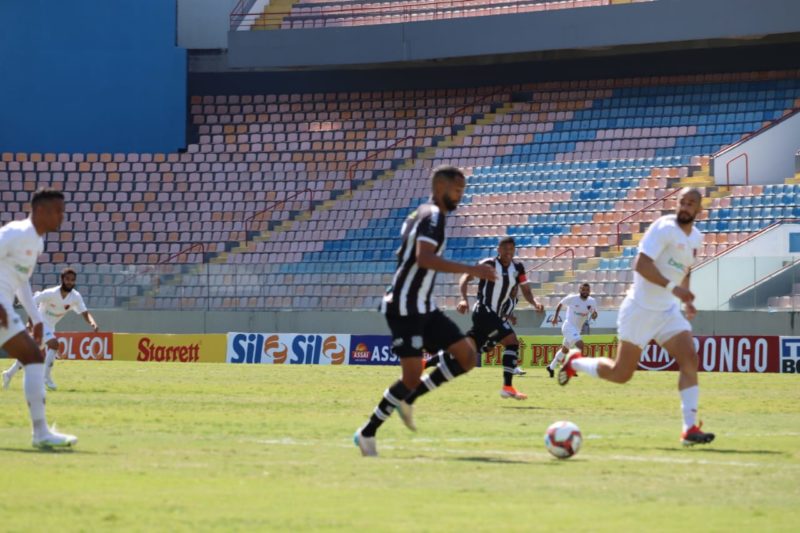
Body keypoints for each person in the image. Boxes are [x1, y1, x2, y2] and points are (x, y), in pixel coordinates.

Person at [354, 166, 496, 457]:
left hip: (424, 305)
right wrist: (471, 269)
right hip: (405, 307)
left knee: (467, 356)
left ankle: (410, 398)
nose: (460, 196)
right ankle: (367, 433)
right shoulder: (433, 217)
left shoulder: (422, 213)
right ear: (441, 187)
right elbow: (425, 258)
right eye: (457, 191)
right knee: (409, 376)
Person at [558, 188, 714, 446]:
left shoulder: (696, 238)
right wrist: (674, 289)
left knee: (689, 359)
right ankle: (575, 362)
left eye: (691, 204)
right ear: (676, 204)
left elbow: (685, 269)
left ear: (699, 209)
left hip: (667, 311)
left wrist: (686, 297)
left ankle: (689, 428)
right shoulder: (663, 227)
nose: (685, 207)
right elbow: (641, 265)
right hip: (639, 308)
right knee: (621, 374)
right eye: (682, 202)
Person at [0, 188, 77, 449]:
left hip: (4, 308)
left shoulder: (37, 242)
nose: (62, 217)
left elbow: (22, 283)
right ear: (40, 210)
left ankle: (41, 433)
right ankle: (40, 433)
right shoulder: (15, 233)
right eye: (58, 211)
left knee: (33, 357)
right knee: (33, 357)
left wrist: (37, 319)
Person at [455, 237, 544, 400]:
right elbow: (465, 278)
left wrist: (534, 302)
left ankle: (428, 362)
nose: (508, 252)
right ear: (498, 250)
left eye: (511, 249)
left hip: (494, 315)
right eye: (505, 249)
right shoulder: (488, 264)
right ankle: (507, 387)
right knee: (512, 342)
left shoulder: (518, 268)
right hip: (484, 311)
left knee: (470, 349)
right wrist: (463, 298)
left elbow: (526, 290)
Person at [2, 268, 100, 391]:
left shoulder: (75, 297)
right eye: (67, 279)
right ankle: (46, 377)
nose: (70, 282)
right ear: (62, 280)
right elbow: (31, 304)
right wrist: (30, 322)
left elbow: (85, 313)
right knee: (54, 344)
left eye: (72, 280)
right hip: (40, 324)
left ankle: (8, 374)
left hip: (50, 327)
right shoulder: (51, 293)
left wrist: (93, 323)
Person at [546, 283, 598, 378]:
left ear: (589, 291)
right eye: (583, 289)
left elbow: (594, 315)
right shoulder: (572, 298)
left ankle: (551, 367)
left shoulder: (592, 301)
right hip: (568, 327)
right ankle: (571, 367)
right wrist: (555, 318)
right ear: (580, 290)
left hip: (577, 330)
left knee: (564, 350)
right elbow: (560, 304)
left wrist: (594, 314)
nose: (585, 292)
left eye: (587, 290)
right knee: (580, 345)